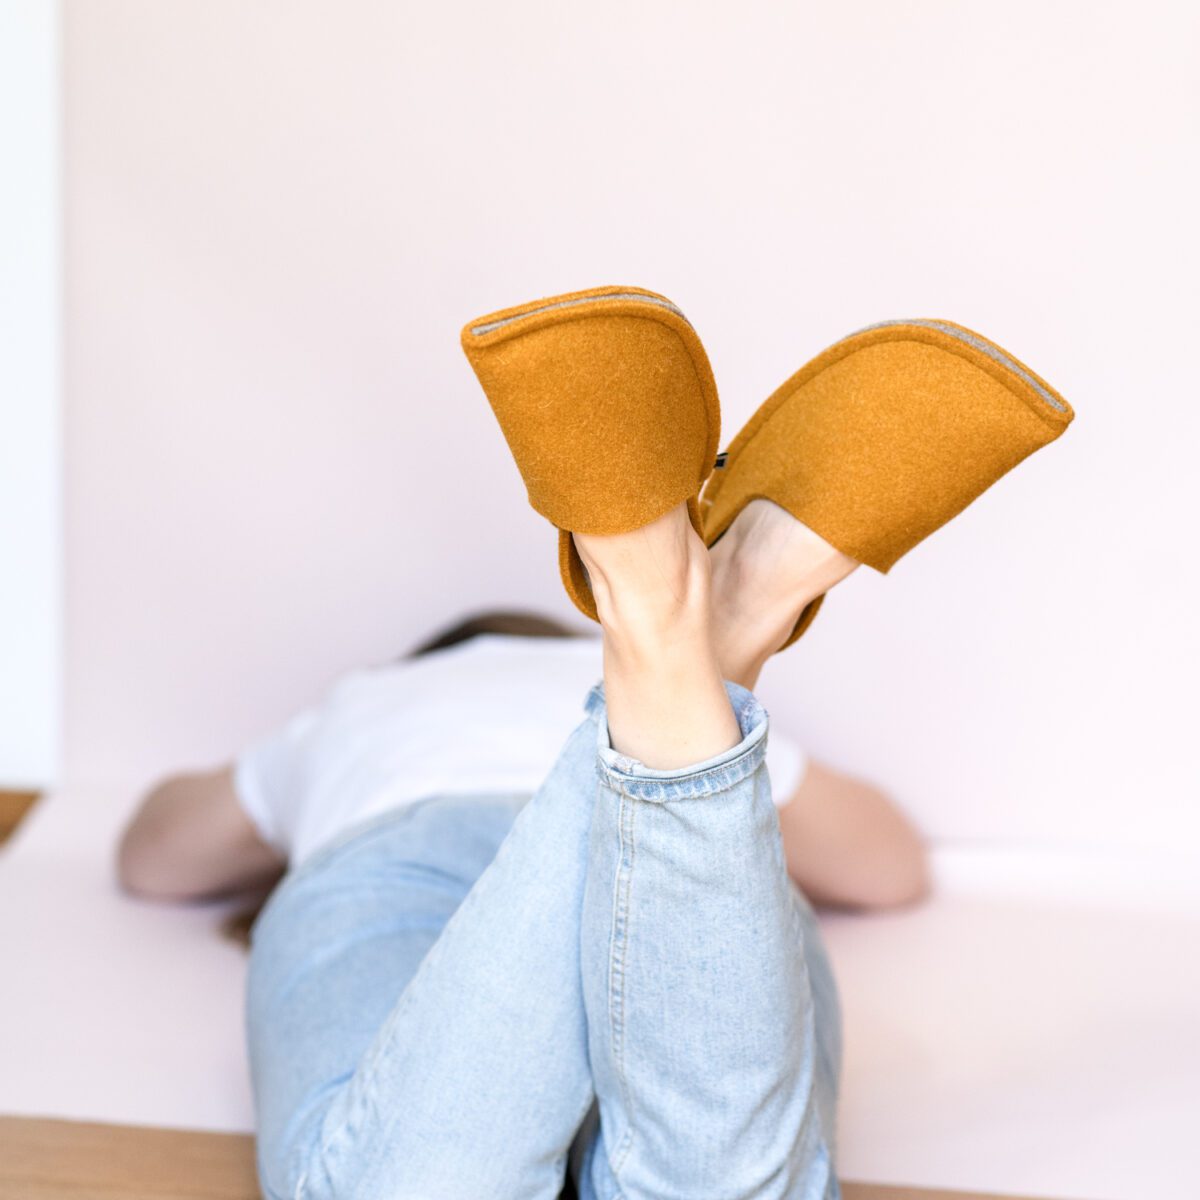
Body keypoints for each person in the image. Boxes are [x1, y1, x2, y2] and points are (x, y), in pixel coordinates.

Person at [118, 290, 1071, 1199]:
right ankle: (715, 622)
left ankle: (665, 615)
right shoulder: (704, 730)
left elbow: (155, 855)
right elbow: (887, 865)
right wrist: (708, 695)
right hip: (682, 868)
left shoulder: (368, 705)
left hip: (394, 867)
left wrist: (257, 800)